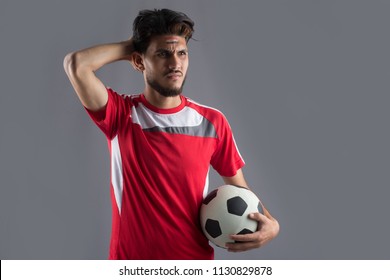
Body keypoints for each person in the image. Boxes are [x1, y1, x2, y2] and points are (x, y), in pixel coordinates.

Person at [63, 8, 279, 260]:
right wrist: (136, 46)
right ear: (139, 61)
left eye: (182, 53)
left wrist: (272, 225)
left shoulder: (212, 122)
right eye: (163, 54)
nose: (175, 63)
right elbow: (76, 65)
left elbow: (242, 192)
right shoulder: (120, 115)